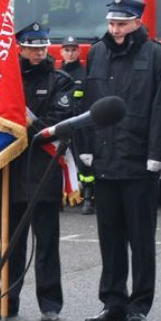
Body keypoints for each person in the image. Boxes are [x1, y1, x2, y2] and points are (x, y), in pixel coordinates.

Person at [79, 0, 161, 321]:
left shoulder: (157, 56)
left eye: (121, 23)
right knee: (110, 237)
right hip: (105, 158)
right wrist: (87, 147)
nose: (115, 29)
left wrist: (156, 155)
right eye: (111, 23)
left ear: (136, 22)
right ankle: (113, 301)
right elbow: (90, 105)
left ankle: (139, 305)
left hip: (138, 161)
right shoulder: (97, 53)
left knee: (140, 238)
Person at [0, 23, 74, 321]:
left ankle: (50, 304)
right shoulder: (6, 82)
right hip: (11, 169)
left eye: (43, 47)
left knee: (46, 243)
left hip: (42, 171)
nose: (39, 53)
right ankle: (7, 299)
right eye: (33, 47)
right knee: (10, 243)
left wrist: (22, 123)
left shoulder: (59, 81)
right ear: (19, 48)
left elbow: (55, 125)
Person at [60, 36, 95, 215]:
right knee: (60, 160)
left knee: (84, 162)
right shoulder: (57, 74)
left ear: (79, 52)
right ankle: (63, 197)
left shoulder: (84, 75)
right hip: (62, 125)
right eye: (67, 50)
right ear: (61, 52)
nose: (70, 53)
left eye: (73, 50)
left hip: (80, 126)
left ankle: (88, 198)